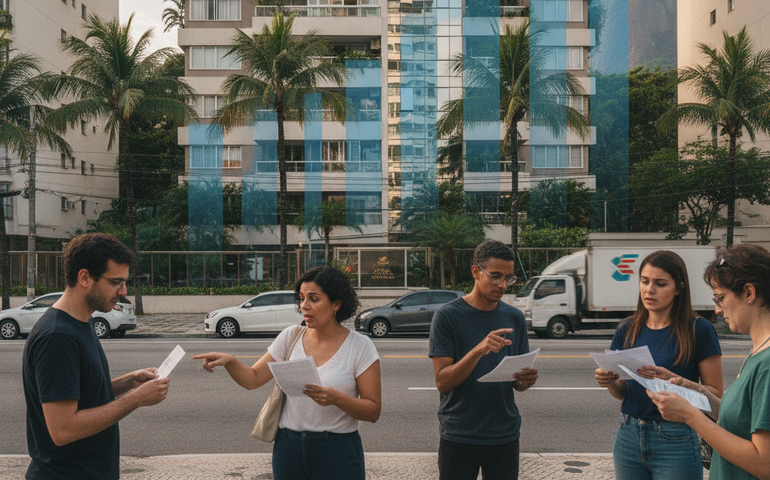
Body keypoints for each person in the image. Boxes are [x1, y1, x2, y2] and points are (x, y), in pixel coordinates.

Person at [193, 266, 381, 480]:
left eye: (313, 299)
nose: (304, 306)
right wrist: (230, 362)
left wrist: (336, 398)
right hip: (289, 448)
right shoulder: (290, 336)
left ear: (336, 304)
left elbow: (373, 411)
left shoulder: (360, 346)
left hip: (337, 450)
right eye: (301, 298)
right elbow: (253, 379)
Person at [22, 233, 170, 480]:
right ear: (85, 278)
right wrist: (135, 400)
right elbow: (63, 430)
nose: (123, 291)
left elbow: (84, 395)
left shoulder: (82, 322)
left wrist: (129, 382)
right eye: (116, 282)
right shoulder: (58, 336)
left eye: (124, 282)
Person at [594, 250, 723, 480]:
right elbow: (622, 393)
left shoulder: (699, 329)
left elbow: (714, 396)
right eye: (644, 281)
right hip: (628, 434)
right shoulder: (627, 328)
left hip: (676, 437)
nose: (649, 289)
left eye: (660, 283)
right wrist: (610, 382)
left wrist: (673, 381)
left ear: (678, 288)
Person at [649, 244, 770, 479]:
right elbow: (738, 419)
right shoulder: (759, 350)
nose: (717, 309)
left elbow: (764, 464)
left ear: (749, 293)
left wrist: (690, 416)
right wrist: (695, 392)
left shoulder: (767, 364)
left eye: (720, 298)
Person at [429, 239, 538, 480]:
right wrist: (478, 350)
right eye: (496, 276)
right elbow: (442, 382)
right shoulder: (447, 316)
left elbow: (517, 385)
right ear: (476, 272)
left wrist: (525, 380)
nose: (503, 285)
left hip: (504, 435)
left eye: (508, 278)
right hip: (459, 435)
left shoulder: (514, 317)